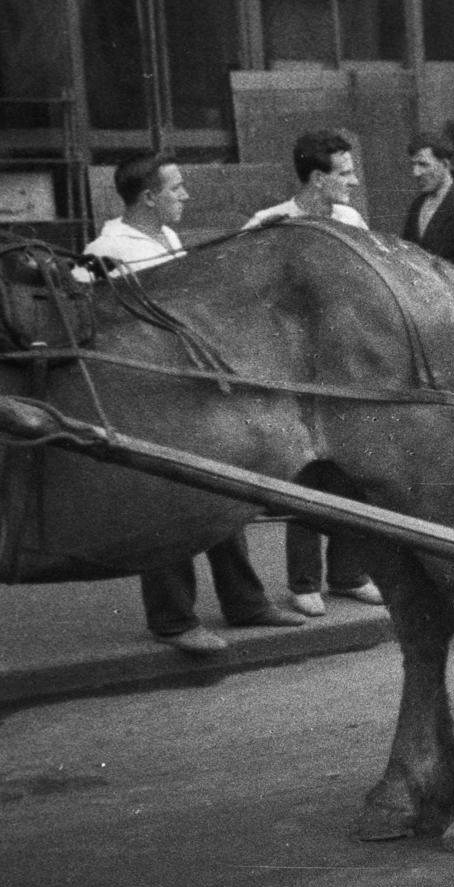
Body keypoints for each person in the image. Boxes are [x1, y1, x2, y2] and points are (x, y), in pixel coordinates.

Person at [83, 152, 306, 652]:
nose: (185, 196)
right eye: (177, 188)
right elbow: (95, 328)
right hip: (144, 395)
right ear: (149, 197)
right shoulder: (105, 250)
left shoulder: (169, 238)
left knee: (220, 491)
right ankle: (173, 620)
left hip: (186, 387)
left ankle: (244, 603)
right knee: (164, 502)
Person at [246, 129, 384, 617]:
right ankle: (304, 581)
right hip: (297, 370)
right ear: (318, 178)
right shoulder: (271, 225)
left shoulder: (350, 220)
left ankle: (348, 574)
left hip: (348, 366)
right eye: (345, 173)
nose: (354, 180)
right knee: (306, 471)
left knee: (355, 471)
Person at [401, 134, 454, 278]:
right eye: (413, 165)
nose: (416, 173)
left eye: (423, 164)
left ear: (445, 165)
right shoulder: (417, 206)